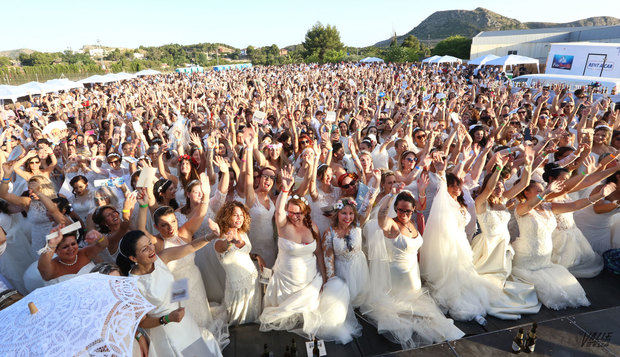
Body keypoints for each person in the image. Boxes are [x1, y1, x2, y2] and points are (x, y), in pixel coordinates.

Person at [260, 165, 360, 344]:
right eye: (291, 212)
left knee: (310, 315)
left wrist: (325, 277)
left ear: (305, 212)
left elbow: (320, 255)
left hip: (310, 279)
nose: (294, 216)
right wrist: (285, 189)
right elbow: (279, 211)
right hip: (286, 279)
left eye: (298, 213)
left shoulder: (312, 227)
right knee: (285, 324)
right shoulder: (283, 226)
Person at [367, 186, 464, 348]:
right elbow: (382, 216)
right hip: (397, 277)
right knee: (407, 314)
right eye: (400, 210)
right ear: (395, 209)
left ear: (413, 210)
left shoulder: (411, 223)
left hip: (413, 273)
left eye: (408, 211)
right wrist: (390, 195)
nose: (404, 215)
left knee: (420, 311)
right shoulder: (392, 224)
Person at [512, 179, 615, 309]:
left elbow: (575, 205)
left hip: (545, 259)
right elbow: (529, 206)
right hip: (527, 258)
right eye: (539, 190)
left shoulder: (548, 207)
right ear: (526, 193)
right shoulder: (521, 208)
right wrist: (547, 191)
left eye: (543, 189)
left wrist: (599, 196)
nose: (543, 192)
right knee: (550, 293)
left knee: (567, 290)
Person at [117, 230, 222, 357]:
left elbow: (190, 247)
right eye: (145, 249)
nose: (151, 249)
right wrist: (167, 318)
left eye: (150, 243)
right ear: (133, 258)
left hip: (184, 320)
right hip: (165, 330)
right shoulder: (132, 285)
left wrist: (210, 236)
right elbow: (142, 322)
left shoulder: (161, 258)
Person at [213, 201, 262, 325]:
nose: (239, 218)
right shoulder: (220, 239)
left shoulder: (242, 233)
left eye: (241, 215)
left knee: (253, 322)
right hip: (238, 287)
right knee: (237, 324)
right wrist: (231, 241)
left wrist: (256, 256)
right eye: (235, 215)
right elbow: (223, 247)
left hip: (252, 279)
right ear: (226, 216)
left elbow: (243, 253)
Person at [37, 227, 108, 284]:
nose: (71, 248)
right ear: (56, 250)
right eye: (65, 247)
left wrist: (99, 237)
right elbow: (42, 267)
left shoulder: (84, 253)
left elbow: (103, 245)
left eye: (73, 244)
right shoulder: (53, 266)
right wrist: (51, 244)